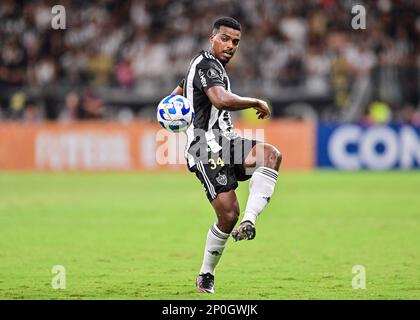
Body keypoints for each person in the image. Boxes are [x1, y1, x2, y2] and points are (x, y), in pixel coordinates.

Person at [170, 17, 282, 294]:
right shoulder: (207, 64)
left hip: (227, 140)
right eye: (225, 39)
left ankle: (250, 221)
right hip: (204, 147)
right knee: (227, 215)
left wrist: (169, 108)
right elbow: (220, 99)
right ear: (212, 38)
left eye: (235, 42)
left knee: (271, 155)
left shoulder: (210, 67)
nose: (231, 45)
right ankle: (206, 274)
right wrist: (255, 101)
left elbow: (179, 92)